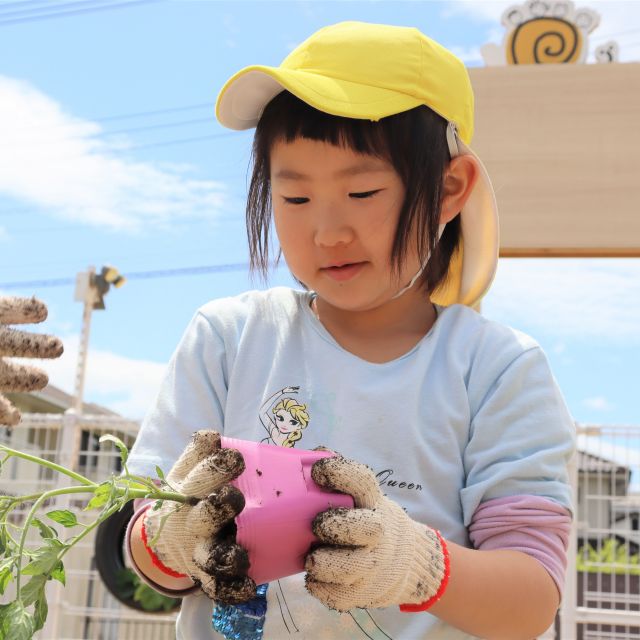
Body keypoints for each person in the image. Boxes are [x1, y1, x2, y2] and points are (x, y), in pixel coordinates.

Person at [125, 21, 575, 640]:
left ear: (448, 189)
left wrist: (423, 567)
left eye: (362, 191)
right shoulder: (230, 338)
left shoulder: (496, 369)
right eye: (295, 199)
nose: (328, 233)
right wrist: (168, 538)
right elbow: (142, 553)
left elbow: (529, 603)